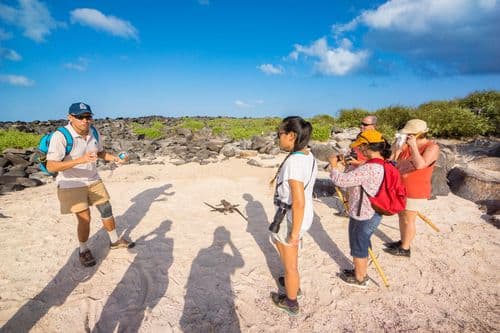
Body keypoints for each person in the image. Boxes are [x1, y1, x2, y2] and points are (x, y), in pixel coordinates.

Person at [46, 102, 134, 268]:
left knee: (106, 209)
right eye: (80, 117)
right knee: (85, 219)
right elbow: (51, 166)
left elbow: (100, 152)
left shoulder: (94, 132)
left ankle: (114, 241)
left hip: (93, 179)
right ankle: (83, 250)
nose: (85, 120)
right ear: (70, 117)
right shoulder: (61, 136)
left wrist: (115, 158)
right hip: (71, 183)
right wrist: (81, 160)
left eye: (88, 117)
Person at [328, 129, 390, 287]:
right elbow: (359, 174)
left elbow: (342, 181)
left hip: (364, 212)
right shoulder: (379, 163)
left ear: (366, 147)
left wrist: (334, 166)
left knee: (359, 243)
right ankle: (359, 270)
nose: (357, 150)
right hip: (369, 211)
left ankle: (360, 278)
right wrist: (353, 164)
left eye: (359, 147)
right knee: (362, 241)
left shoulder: (369, 168)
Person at [269, 116, 317, 316]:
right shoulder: (308, 155)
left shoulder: (294, 162)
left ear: (291, 136)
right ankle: (291, 284)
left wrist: (294, 232)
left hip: (292, 218)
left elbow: (298, 201)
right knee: (291, 260)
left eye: (279, 133)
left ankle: (291, 301)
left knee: (290, 265)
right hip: (303, 216)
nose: (277, 137)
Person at [383, 119, 439, 257]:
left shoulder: (431, 147)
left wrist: (414, 146)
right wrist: (397, 146)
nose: (407, 136)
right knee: (402, 216)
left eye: (410, 134)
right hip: (401, 187)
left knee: (409, 219)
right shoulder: (406, 146)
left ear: (419, 134)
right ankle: (403, 241)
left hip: (416, 190)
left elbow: (420, 165)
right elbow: (392, 160)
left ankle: (405, 248)